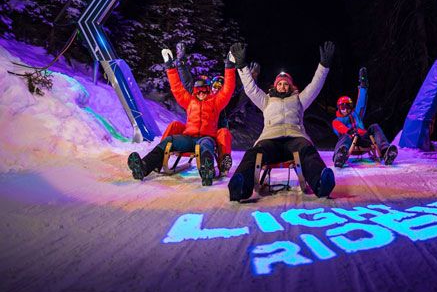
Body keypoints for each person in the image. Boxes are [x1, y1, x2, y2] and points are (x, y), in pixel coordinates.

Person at [227, 41, 337, 201]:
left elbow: (315, 86)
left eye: (286, 84)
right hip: (270, 140)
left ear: (291, 87)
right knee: (253, 153)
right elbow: (250, 88)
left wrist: (324, 66)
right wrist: (242, 66)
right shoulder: (266, 100)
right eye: (280, 83)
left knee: (307, 150)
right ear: (275, 86)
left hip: (295, 138)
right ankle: (240, 185)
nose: (283, 86)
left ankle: (320, 181)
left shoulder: (299, 100)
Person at [127, 44, 236, 186]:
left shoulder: (216, 102)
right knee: (169, 141)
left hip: (206, 137)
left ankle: (206, 171)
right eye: (199, 91)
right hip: (188, 138)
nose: (201, 93)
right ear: (195, 91)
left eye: (204, 90)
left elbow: (228, 89)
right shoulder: (190, 101)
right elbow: (177, 87)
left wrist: (229, 66)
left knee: (206, 146)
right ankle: (144, 166)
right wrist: (169, 66)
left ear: (208, 90)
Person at [160, 43, 260, 177]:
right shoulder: (199, 97)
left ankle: (222, 163)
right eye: (215, 84)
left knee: (223, 133)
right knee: (174, 125)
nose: (217, 87)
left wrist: (251, 78)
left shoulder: (223, 103)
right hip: (194, 133)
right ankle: (158, 156)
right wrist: (181, 62)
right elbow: (186, 85)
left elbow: (241, 97)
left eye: (220, 84)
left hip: (214, 135)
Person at [332, 67, 398, 167]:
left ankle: (385, 151)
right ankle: (340, 155)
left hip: (363, 138)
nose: (345, 109)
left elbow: (361, 102)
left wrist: (363, 85)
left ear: (351, 107)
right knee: (345, 136)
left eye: (348, 106)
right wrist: (349, 131)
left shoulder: (356, 114)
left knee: (374, 126)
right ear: (339, 108)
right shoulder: (337, 121)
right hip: (348, 141)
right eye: (342, 107)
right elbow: (339, 127)